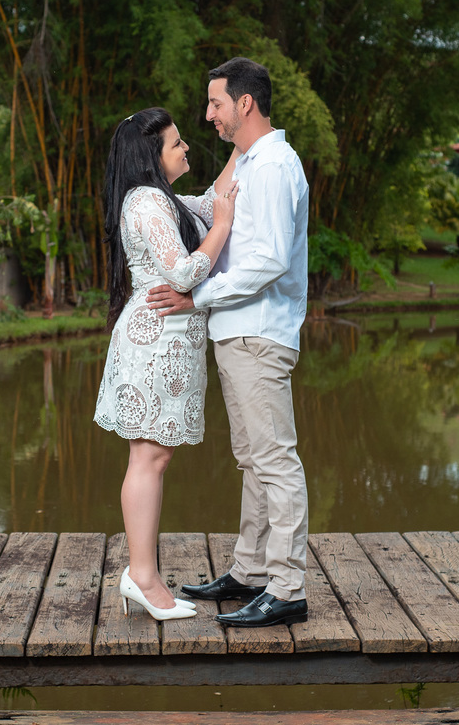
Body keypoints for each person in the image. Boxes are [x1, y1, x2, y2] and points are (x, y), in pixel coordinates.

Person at [147, 57, 311, 628]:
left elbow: (267, 260)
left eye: (215, 103)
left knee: (274, 460)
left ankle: (287, 586)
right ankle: (250, 571)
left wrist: (198, 296)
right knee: (252, 460)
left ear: (244, 103)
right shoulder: (246, 160)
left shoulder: (273, 166)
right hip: (238, 331)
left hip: (259, 330)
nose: (208, 114)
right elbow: (209, 210)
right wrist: (149, 193)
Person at [93, 106, 238, 621]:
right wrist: (221, 227)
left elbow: (211, 195)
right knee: (149, 458)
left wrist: (244, 147)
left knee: (152, 457)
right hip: (155, 345)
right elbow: (181, 273)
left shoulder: (162, 198)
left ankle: (142, 573)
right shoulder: (149, 202)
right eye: (177, 143)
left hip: (163, 343)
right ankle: (142, 576)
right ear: (152, 155)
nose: (186, 149)